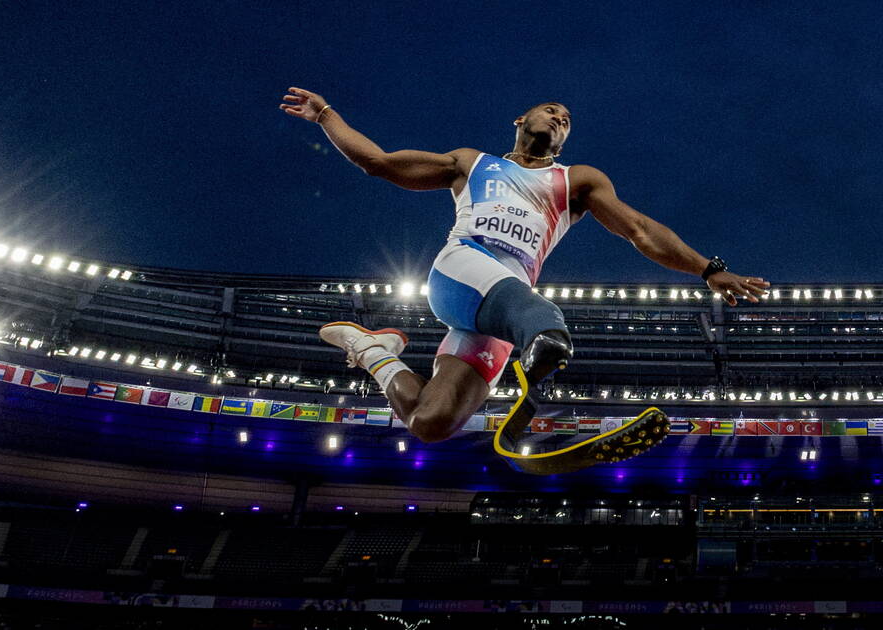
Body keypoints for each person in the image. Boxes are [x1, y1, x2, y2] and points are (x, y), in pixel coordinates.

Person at [279, 87, 770, 473]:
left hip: (503, 307)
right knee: (547, 325)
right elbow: (378, 163)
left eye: (568, 121)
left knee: (432, 422)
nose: (560, 119)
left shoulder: (576, 180)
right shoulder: (471, 163)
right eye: (552, 110)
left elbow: (638, 230)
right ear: (520, 120)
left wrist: (708, 268)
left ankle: (373, 352)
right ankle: (544, 349)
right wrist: (326, 115)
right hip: (463, 268)